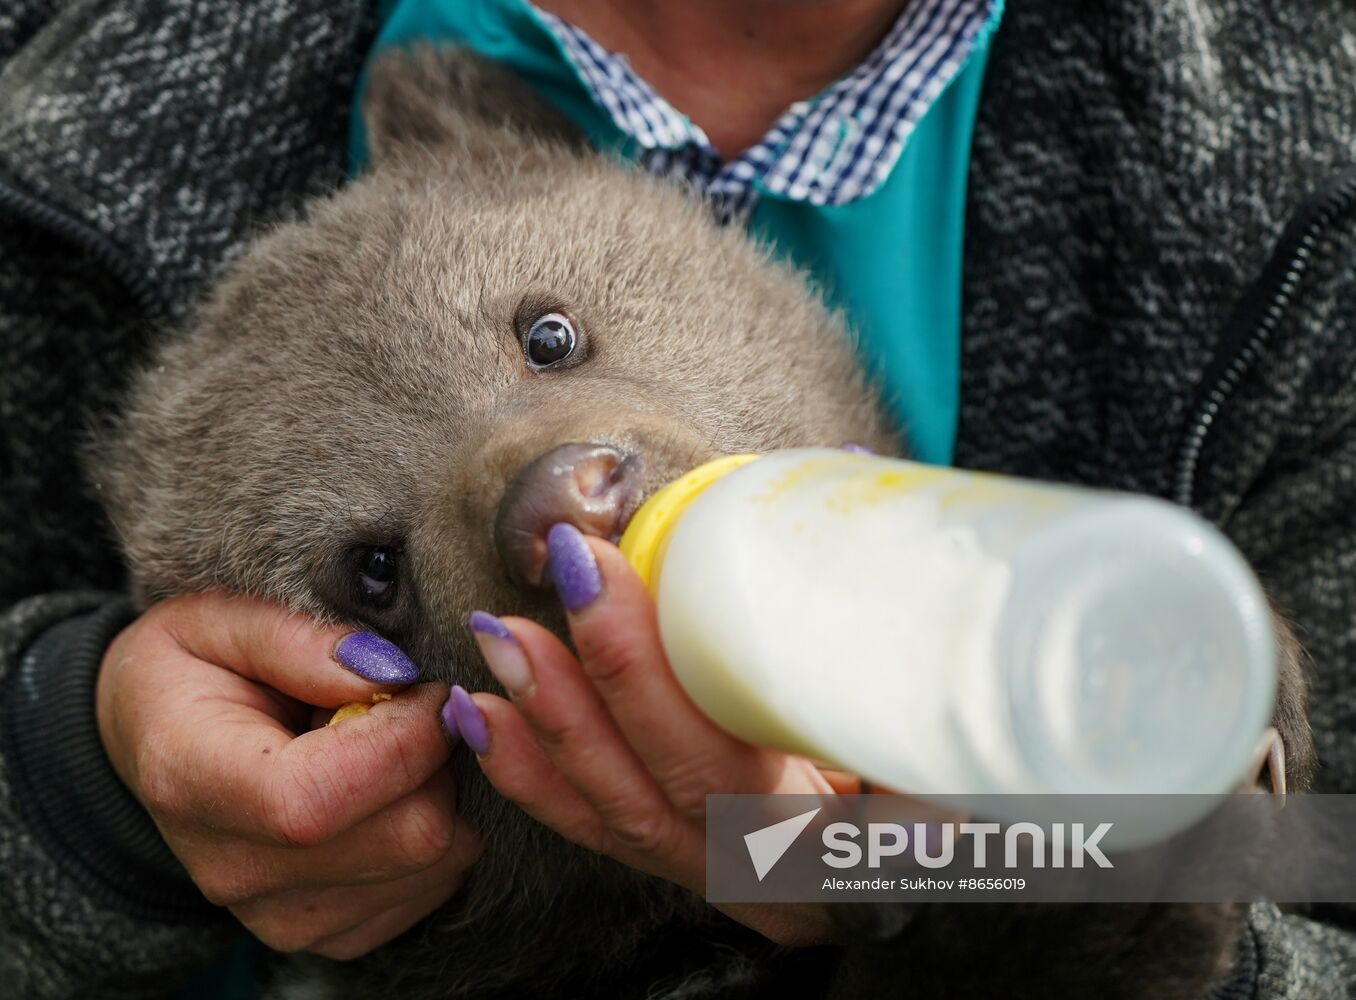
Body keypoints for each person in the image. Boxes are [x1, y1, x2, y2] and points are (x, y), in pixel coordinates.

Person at [1, 0, 1354, 997]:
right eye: (376, 579)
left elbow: (1327, 881)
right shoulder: (52, 84)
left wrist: (1023, 901)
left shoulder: (1306, 152)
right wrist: (87, 778)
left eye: (548, 346)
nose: (542, 497)